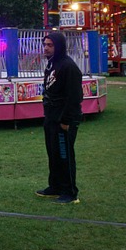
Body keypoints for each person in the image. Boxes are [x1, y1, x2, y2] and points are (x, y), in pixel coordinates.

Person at [37, 30, 83, 204]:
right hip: (51, 116)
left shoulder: (68, 67)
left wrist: (66, 121)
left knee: (65, 155)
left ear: (59, 46)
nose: (46, 48)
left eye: (50, 45)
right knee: (53, 153)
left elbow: (75, 97)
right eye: (45, 45)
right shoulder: (51, 65)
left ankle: (70, 192)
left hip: (64, 119)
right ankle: (55, 186)